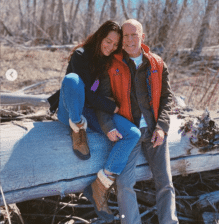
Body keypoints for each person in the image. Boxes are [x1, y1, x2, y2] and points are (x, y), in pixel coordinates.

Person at [48, 20, 141, 223]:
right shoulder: (80, 55)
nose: (110, 47)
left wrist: (108, 122)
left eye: (115, 45)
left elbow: (99, 98)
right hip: (69, 110)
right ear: (100, 37)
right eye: (108, 41)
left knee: (133, 134)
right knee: (73, 80)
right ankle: (77, 130)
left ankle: (100, 185)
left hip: (91, 113)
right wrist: (112, 107)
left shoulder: (107, 63)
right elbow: (87, 96)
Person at [95, 19, 179, 223]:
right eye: (126, 35)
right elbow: (102, 100)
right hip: (128, 134)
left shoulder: (157, 64)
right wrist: (107, 125)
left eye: (135, 35)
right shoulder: (111, 65)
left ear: (142, 37)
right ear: (121, 39)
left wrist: (162, 127)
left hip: (154, 132)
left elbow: (167, 98)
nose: (130, 39)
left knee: (165, 183)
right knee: (124, 185)